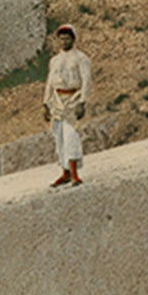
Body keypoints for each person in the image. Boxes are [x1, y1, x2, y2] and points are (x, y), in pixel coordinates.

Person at [43, 23, 91, 187]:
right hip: (57, 101)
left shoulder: (81, 58)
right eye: (61, 39)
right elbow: (50, 82)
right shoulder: (54, 60)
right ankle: (65, 173)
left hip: (73, 99)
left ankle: (75, 174)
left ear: (73, 39)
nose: (64, 42)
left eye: (67, 38)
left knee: (71, 136)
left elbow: (86, 81)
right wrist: (45, 103)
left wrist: (83, 102)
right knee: (60, 138)